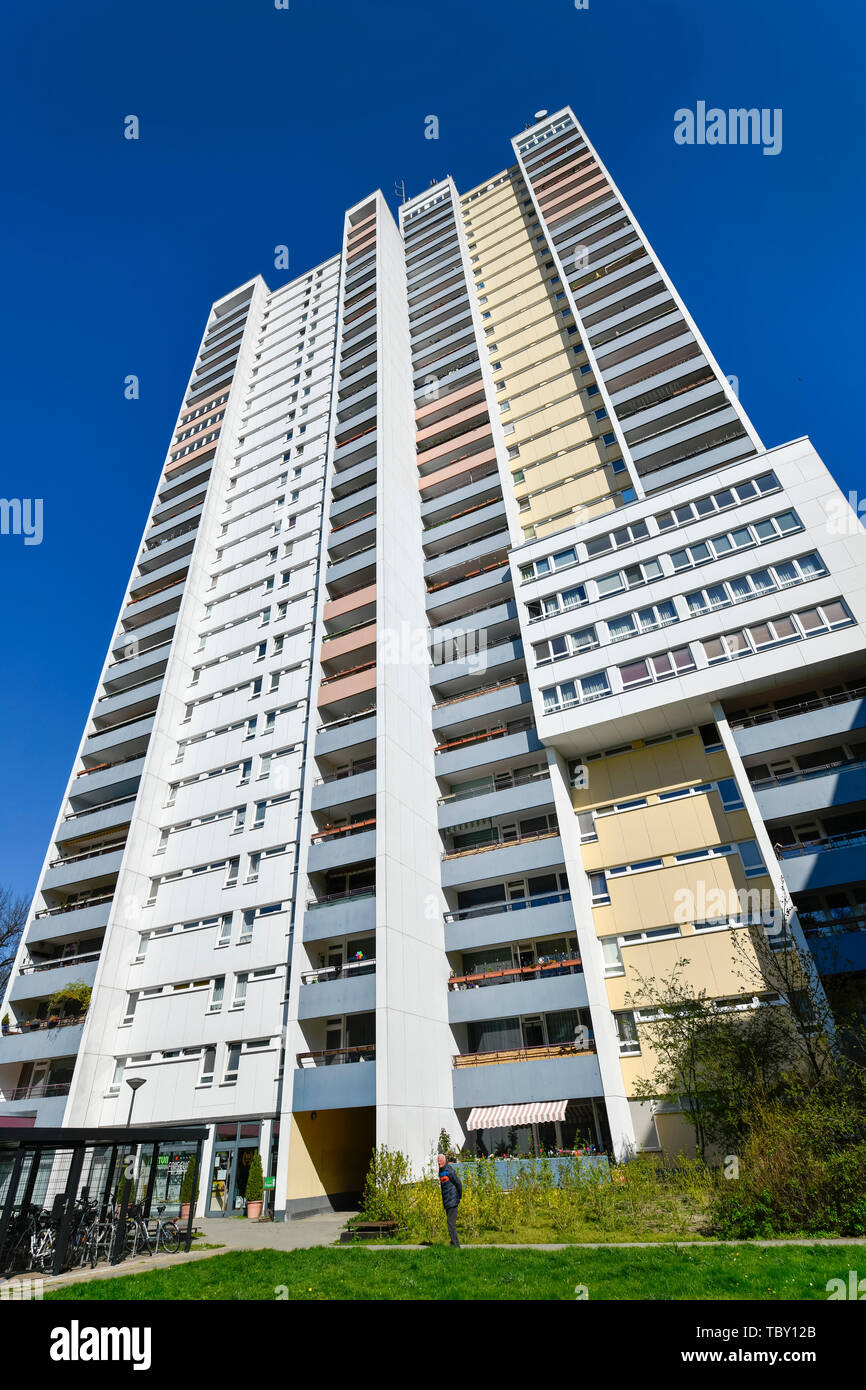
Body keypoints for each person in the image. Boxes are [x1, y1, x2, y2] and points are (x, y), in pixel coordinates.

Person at [437, 1152, 462, 1246]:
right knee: (450, 1223)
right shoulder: (441, 1171)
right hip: (447, 1201)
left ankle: (456, 1245)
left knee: (450, 1223)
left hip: (452, 1200)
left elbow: (458, 1183)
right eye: (438, 1161)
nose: (439, 1162)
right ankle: (453, 1243)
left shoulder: (449, 1170)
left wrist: (459, 1196)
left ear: (444, 1160)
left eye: (440, 1161)